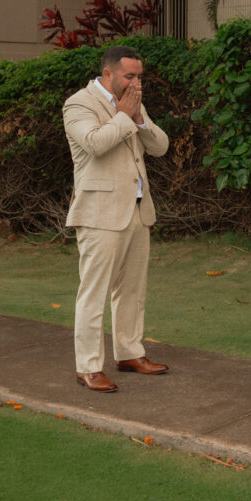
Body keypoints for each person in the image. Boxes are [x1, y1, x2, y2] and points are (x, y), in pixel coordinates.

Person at [63, 45, 171, 392]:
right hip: (99, 214)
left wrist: (138, 118)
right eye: (130, 76)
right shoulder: (78, 104)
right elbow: (95, 144)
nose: (137, 83)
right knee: (93, 293)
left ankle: (129, 353)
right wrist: (125, 116)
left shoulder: (132, 105)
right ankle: (89, 367)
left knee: (132, 290)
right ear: (108, 73)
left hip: (138, 210)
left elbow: (160, 147)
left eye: (140, 76)